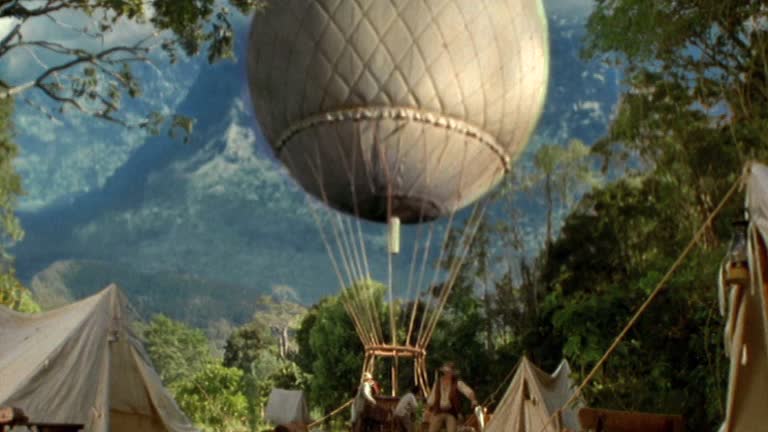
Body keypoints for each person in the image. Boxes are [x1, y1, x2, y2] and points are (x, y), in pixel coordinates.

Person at [427, 362, 478, 432]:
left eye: (449, 372)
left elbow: (469, 392)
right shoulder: (437, 383)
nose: (447, 373)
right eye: (446, 372)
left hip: (451, 413)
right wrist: (428, 410)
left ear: (452, 373)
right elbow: (432, 398)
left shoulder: (457, 383)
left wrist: (473, 400)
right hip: (439, 412)